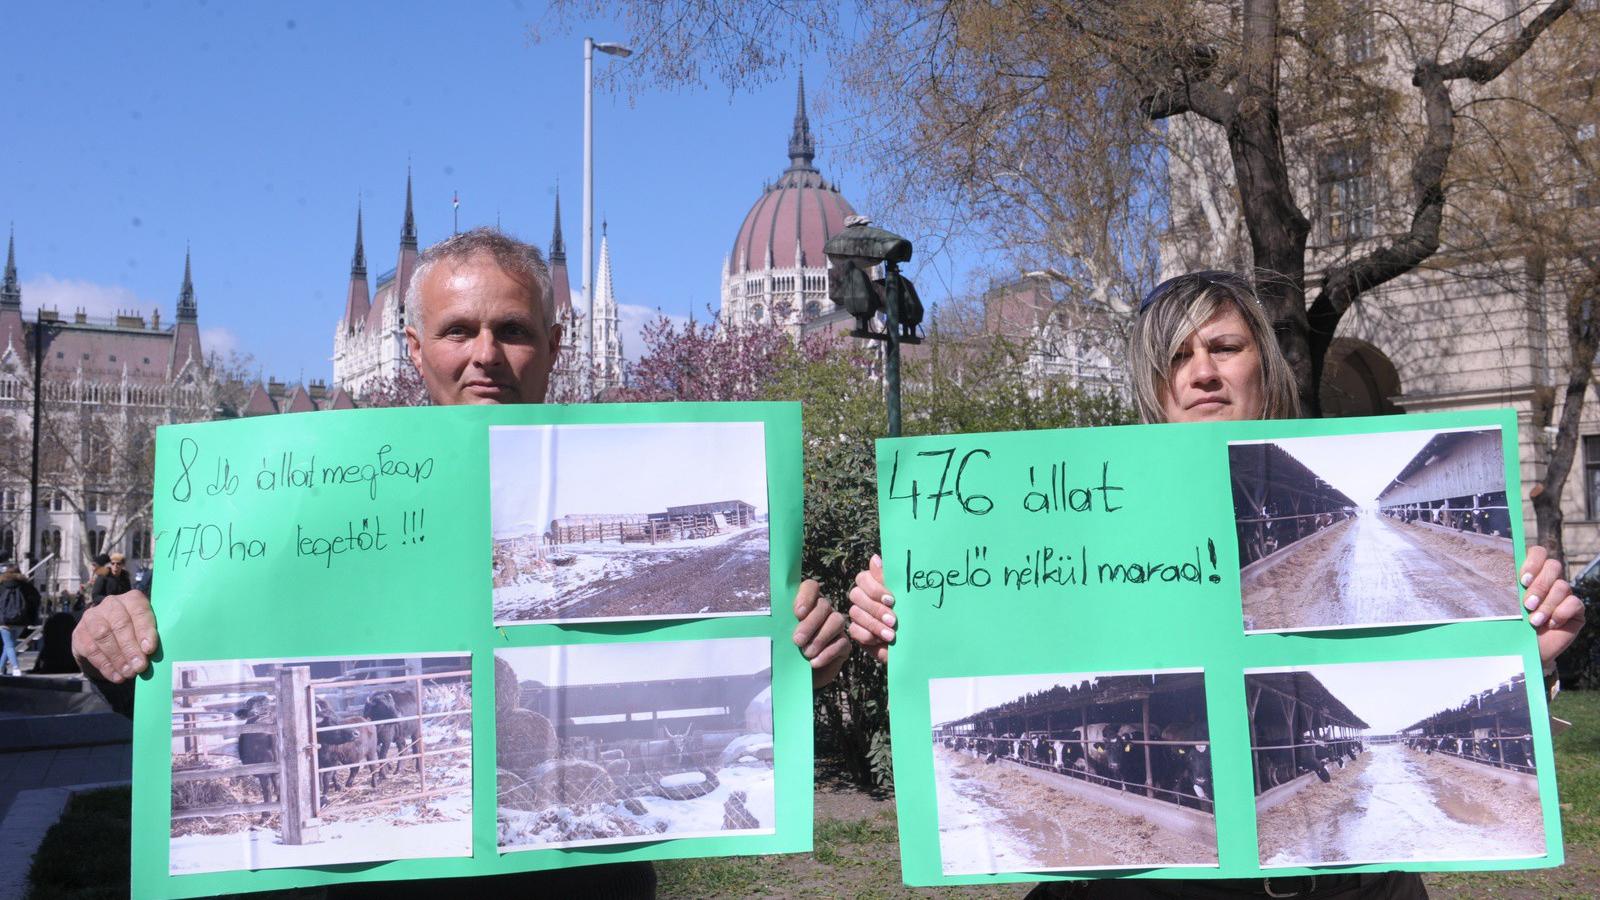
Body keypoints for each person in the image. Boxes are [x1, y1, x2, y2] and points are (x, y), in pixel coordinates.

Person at [72, 228, 851, 898]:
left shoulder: (631, 472)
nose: (486, 355)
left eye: (511, 329)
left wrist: (793, 661)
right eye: (457, 331)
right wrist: (116, 647)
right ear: (412, 349)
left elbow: (715, 677)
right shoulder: (323, 498)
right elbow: (223, 656)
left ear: (555, 345)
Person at [845, 271, 1585, 900]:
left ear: (1263, 365)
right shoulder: (1072, 528)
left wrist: (1529, 656)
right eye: (1178, 356)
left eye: (1224, 348)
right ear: (1153, 384)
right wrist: (912, 633)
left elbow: (1441, 671)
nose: (1202, 370)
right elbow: (994, 641)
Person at [1, 561, 42, 677]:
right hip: (21, 621)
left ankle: (16, 668)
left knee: (9, 645)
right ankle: (0, 668)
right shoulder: (26, 586)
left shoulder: (1, 585)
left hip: (4, 621)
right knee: (9, 646)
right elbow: (36, 600)